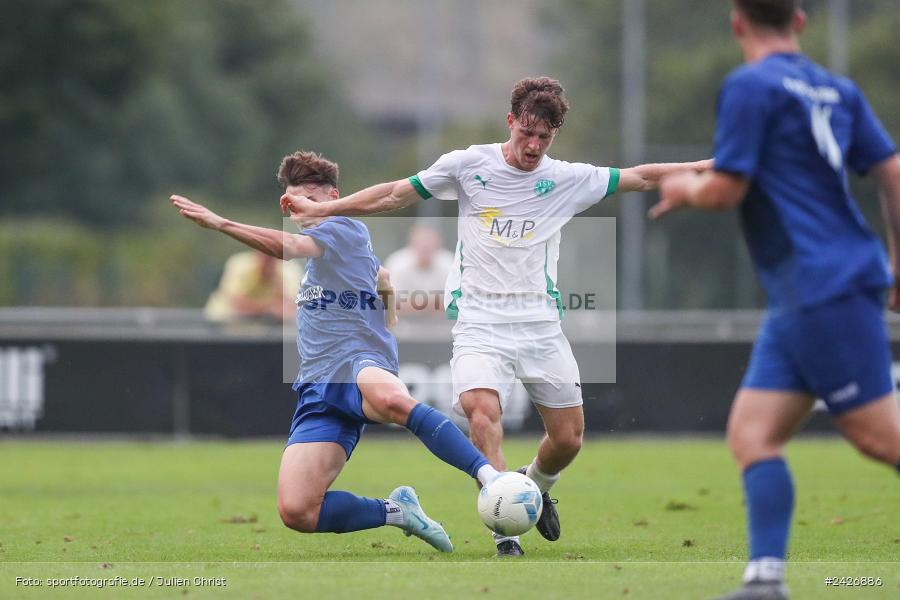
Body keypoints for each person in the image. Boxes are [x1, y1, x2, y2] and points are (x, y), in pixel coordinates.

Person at [281, 77, 710, 556]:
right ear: (510, 122)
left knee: (568, 440)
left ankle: (534, 485)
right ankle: (506, 534)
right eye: (526, 133)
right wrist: (329, 210)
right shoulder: (469, 165)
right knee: (482, 414)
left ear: (554, 135)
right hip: (479, 323)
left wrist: (708, 167)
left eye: (544, 137)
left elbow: (643, 177)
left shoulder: (567, 179)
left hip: (541, 327)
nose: (533, 145)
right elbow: (395, 194)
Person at [651, 2, 900, 599]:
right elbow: (891, 169)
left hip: (822, 284)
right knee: (753, 434)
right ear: (800, 21)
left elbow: (727, 189)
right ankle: (765, 582)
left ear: (737, 22)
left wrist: (685, 186)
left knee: (879, 437)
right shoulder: (837, 89)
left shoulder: (750, 85)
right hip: (807, 289)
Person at [171, 150, 501, 553]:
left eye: (312, 199)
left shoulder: (341, 226)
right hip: (317, 385)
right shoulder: (326, 252)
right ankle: (397, 512)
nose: (303, 209)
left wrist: (221, 223)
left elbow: (292, 246)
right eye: (295, 202)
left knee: (393, 401)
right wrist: (385, 293)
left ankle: (490, 477)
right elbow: (378, 277)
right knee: (297, 510)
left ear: (334, 197)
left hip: (358, 360)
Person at [204, 250, 301, 323]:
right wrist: (270, 308)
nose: (268, 259)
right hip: (226, 328)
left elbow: (293, 308)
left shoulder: (289, 269)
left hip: (270, 333)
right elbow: (237, 303)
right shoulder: (240, 264)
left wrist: (277, 282)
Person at [383, 223, 453, 316]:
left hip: (441, 323)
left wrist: (414, 305)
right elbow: (389, 303)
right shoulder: (397, 263)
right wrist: (433, 305)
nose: (426, 245)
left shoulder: (449, 264)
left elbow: (457, 303)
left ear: (439, 243)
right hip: (403, 323)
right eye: (422, 241)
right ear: (411, 243)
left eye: (429, 240)